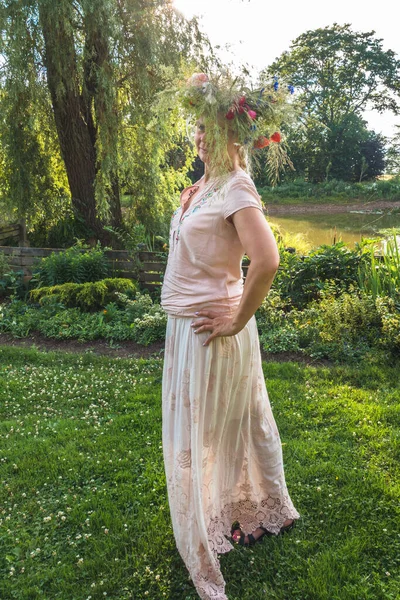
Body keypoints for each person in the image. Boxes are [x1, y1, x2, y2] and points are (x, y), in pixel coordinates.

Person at [160, 73, 300, 600]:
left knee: (215, 431)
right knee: (214, 430)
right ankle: (229, 508)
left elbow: (266, 260)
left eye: (210, 128)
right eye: (197, 127)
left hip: (213, 332)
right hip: (187, 330)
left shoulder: (237, 186)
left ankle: (230, 513)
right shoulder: (203, 187)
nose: (199, 136)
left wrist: (237, 320)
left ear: (234, 135)